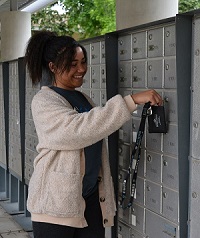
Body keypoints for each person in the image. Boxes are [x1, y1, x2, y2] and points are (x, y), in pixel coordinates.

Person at [25, 30, 162, 238]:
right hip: (55, 204)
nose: (81, 69)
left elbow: (96, 128)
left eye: (83, 62)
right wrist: (130, 101)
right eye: (73, 64)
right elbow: (77, 130)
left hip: (90, 199)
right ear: (53, 67)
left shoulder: (83, 99)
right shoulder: (44, 101)